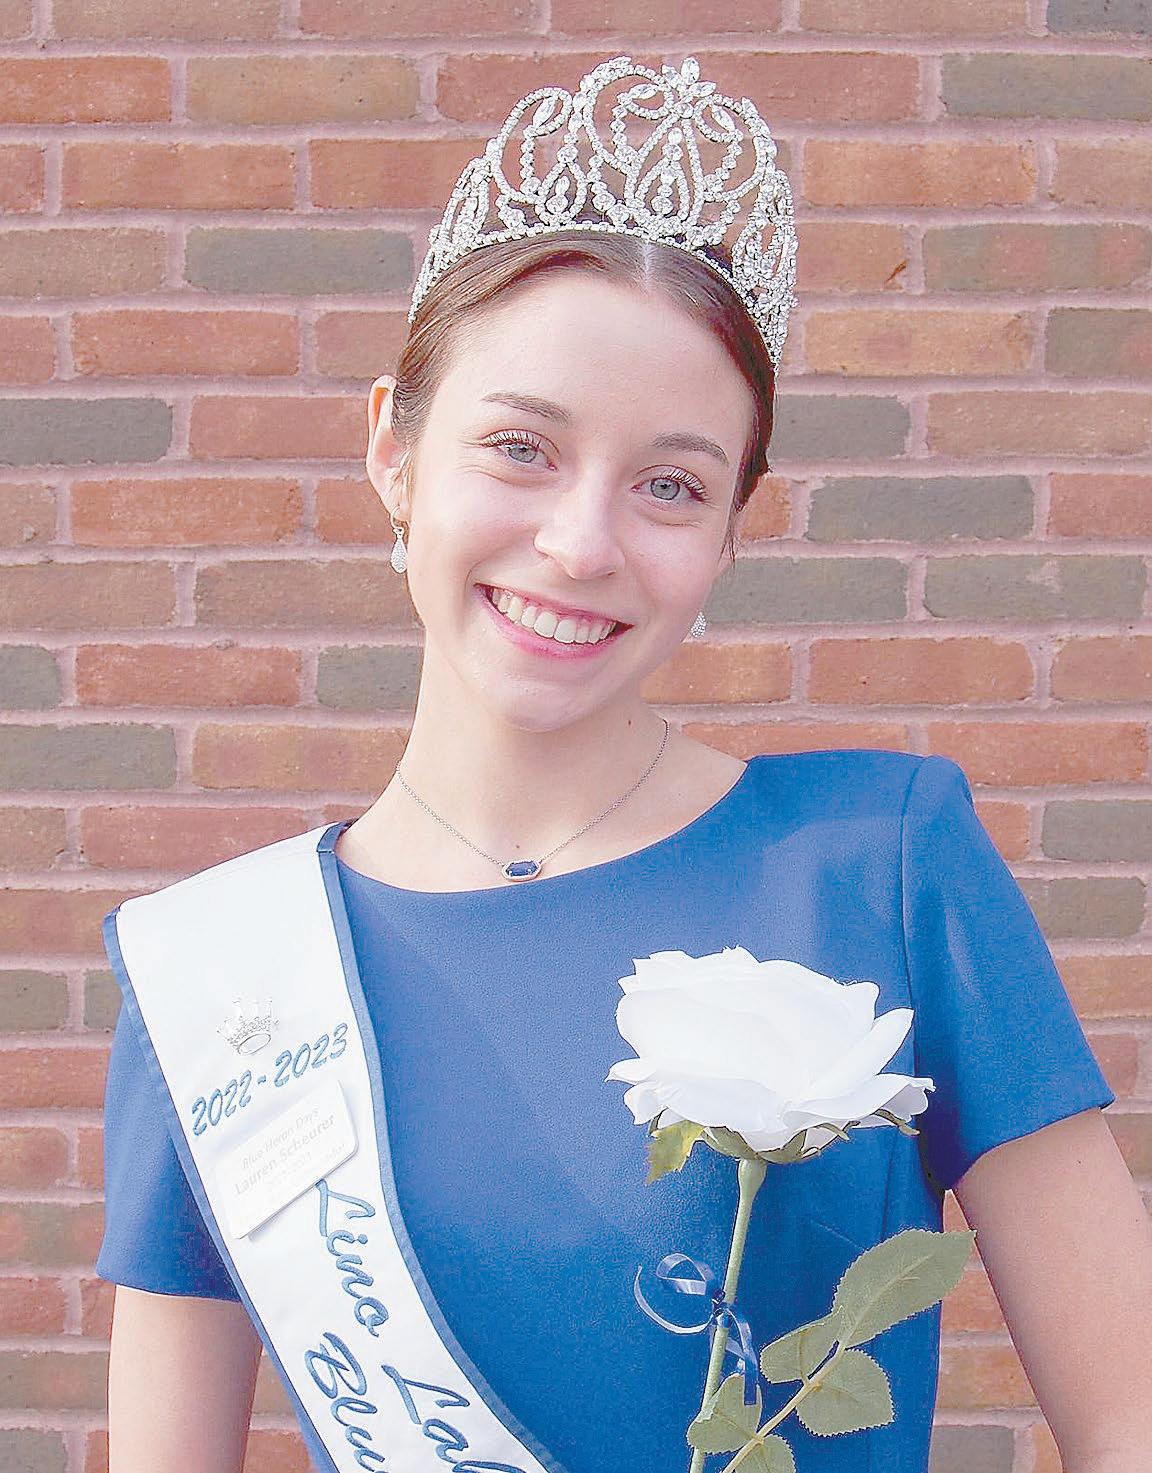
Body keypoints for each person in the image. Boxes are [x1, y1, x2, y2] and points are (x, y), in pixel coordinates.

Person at [95, 52, 1152, 1473]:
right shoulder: (220, 985)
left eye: (670, 484)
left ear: (730, 532)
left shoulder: (883, 858)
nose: (581, 542)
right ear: (393, 450)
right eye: (520, 447)